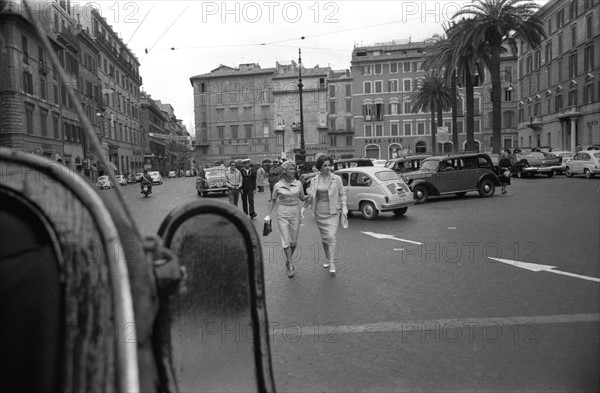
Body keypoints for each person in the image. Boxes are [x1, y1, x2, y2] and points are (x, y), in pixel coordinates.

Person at [303, 154, 347, 276]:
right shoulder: (314, 180)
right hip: (320, 212)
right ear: (320, 167)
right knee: (324, 238)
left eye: (329, 165)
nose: (328, 168)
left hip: (333, 211)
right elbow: (311, 196)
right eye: (325, 166)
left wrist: (344, 207)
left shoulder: (337, 179)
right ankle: (327, 256)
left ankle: (332, 262)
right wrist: (303, 208)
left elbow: (342, 194)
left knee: (331, 236)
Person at [264, 161, 309, 278]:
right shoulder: (277, 185)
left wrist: (311, 194)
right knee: (286, 240)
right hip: (282, 213)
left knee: (293, 242)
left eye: (294, 169)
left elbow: (303, 198)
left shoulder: (298, 183)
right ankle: (291, 265)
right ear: (284, 171)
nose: (293, 171)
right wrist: (268, 214)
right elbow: (273, 200)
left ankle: (288, 259)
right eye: (290, 169)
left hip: (295, 212)